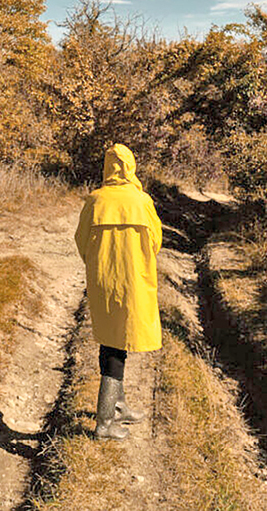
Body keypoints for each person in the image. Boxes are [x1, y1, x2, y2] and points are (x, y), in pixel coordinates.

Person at [73, 143, 162, 439]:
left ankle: (119, 406)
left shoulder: (95, 200)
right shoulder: (142, 201)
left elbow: (81, 241)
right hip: (133, 282)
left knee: (111, 341)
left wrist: (99, 265)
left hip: (102, 282)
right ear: (130, 166)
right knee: (117, 346)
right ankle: (104, 423)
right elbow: (156, 242)